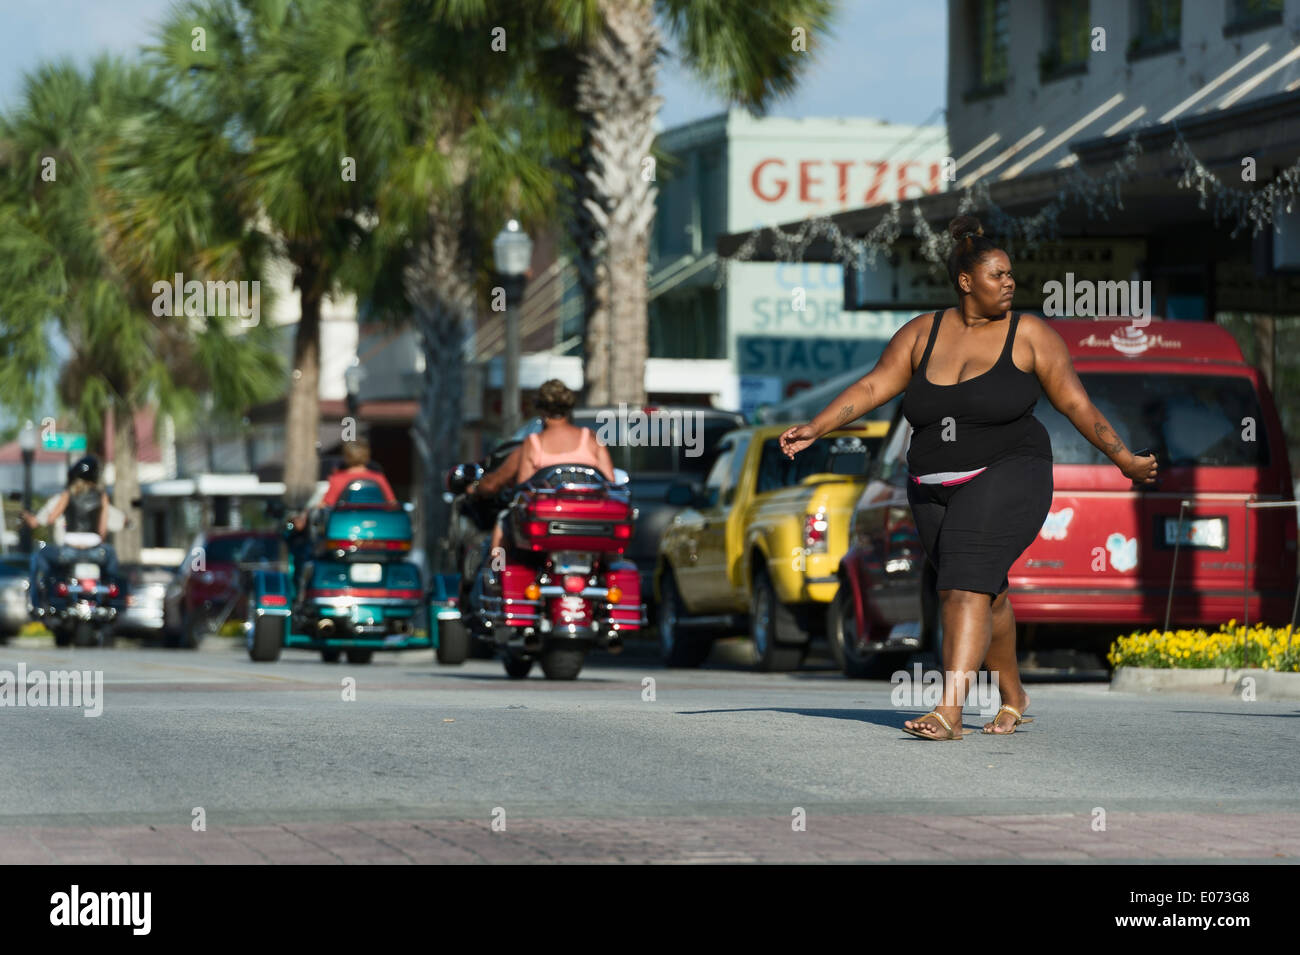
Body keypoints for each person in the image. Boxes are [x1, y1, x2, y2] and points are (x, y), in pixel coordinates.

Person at [780, 215, 1158, 740]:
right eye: (998, 274)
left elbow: (1075, 403)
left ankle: (949, 710)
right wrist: (817, 427)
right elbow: (871, 388)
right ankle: (1014, 693)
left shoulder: (1029, 335)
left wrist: (1124, 458)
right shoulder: (921, 333)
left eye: (1010, 275)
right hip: (931, 485)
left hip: (1011, 471)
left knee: (960, 586)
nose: (1010, 283)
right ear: (966, 282)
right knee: (987, 592)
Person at [470, 378, 615, 563]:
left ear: (541, 410)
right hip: (590, 525)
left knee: (502, 522)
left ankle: (497, 575)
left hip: (545, 525)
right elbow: (610, 482)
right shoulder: (591, 439)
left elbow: (524, 487)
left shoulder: (534, 443)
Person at [22, 455, 118, 614]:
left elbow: (51, 518)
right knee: (111, 558)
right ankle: (109, 592)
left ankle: (37, 602)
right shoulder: (102, 497)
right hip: (96, 552)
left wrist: (29, 517)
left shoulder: (67, 495)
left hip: (69, 552)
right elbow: (102, 530)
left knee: (38, 557)